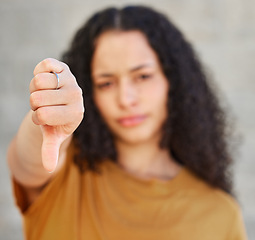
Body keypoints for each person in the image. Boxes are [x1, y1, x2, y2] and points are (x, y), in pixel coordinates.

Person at [7, 5, 247, 240]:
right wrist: (47, 118)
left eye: (142, 76)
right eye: (106, 83)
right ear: (90, 92)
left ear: (174, 82)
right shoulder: (65, 173)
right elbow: (26, 163)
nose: (126, 99)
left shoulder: (220, 213)